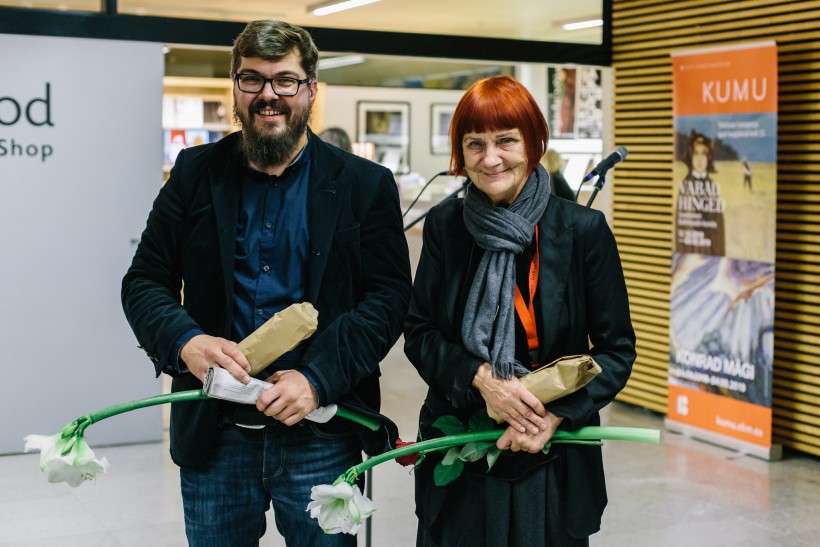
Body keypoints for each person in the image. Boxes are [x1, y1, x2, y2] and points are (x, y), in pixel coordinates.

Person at [122, 20, 412, 547]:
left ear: (310, 89)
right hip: (216, 433)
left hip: (323, 431)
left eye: (285, 80)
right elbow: (144, 281)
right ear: (235, 88)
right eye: (252, 80)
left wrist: (317, 377)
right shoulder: (194, 173)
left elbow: (388, 300)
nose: (268, 96)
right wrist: (187, 343)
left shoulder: (364, 185)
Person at [403, 75, 636, 546]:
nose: (490, 159)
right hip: (462, 445)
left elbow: (616, 350)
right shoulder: (447, 226)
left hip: (552, 454)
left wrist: (553, 416)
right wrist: (483, 381)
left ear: (534, 142)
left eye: (506, 140)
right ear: (460, 152)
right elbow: (420, 331)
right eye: (475, 144)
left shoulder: (582, 230)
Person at [675, 130, 725, 256]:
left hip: (712, 253)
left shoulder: (712, 185)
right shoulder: (685, 185)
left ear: (709, 157)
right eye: (696, 153)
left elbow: (719, 227)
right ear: (690, 156)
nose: (700, 159)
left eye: (704, 153)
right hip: (690, 253)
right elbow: (680, 227)